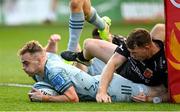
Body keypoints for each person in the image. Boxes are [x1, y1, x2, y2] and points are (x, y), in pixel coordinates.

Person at [18, 34, 167, 102]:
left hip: (114, 89)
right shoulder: (46, 62)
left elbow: (72, 98)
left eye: (25, 63)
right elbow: (48, 53)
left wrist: (45, 97)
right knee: (39, 83)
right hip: (103, 80)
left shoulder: (53, 70)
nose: (23, 67)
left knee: (158, 91)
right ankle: (82, 60)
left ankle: (83, 59)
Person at [60, 28, 168, 102]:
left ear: (147, 47)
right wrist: (102, 92)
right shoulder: (131, 48)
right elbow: (112, 64)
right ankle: (83, 58)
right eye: (129, 52)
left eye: (134, 52)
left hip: (147, 84)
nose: (131, 55)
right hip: (125, 67)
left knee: (160, 89)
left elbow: (171, 92)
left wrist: (152, 99)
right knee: (89, 44)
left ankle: (109, 38)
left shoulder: (165, 63)